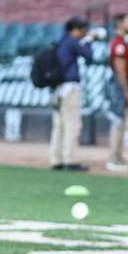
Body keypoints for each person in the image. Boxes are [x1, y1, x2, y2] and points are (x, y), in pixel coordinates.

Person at [49, 16, 94, 172]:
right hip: (70, 87)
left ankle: (56, 159)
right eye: (81, 29)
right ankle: (70, 159)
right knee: (72, 125)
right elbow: (88, 56)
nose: (83, 32)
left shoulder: (60, 42)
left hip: (56, 88)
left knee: (58, 126)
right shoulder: (72, 42)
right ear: (74, 29)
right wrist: (88, 41)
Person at [106, 13, 128, 172]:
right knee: (119, 122)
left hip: (124, 85)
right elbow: (120, 70)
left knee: (122, 122)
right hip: (121, 86)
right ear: (119, 24)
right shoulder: (118, 44)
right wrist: (126, 91)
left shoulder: (122, 42)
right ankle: (114, 157)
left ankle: (118, 156)